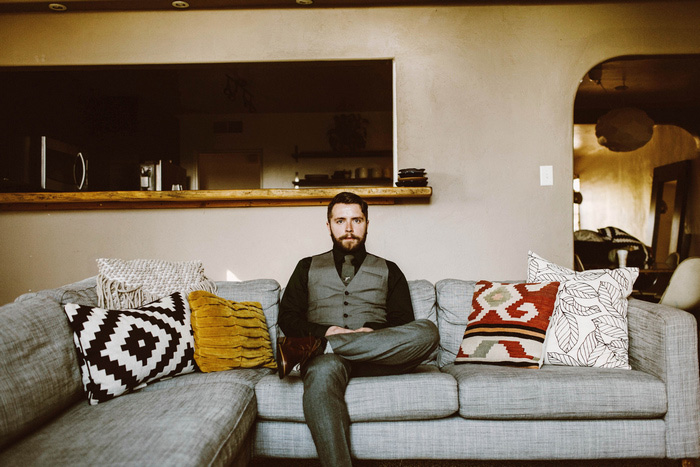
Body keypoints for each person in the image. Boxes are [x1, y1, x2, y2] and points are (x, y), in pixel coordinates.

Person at [277, 191, 439, 467]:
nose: (349, 228)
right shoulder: (306, 267)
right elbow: (288, 317)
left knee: (428, 331)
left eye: (356, 220)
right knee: (321, 375)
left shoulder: (390, 270)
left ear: (367, 224)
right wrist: (325, 331)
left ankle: (323, 347)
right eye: (340, 220)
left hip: (378, 358)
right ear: (328, 226)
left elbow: (403, 320)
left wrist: (369, 332)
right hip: (326, 361)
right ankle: (326, 348)